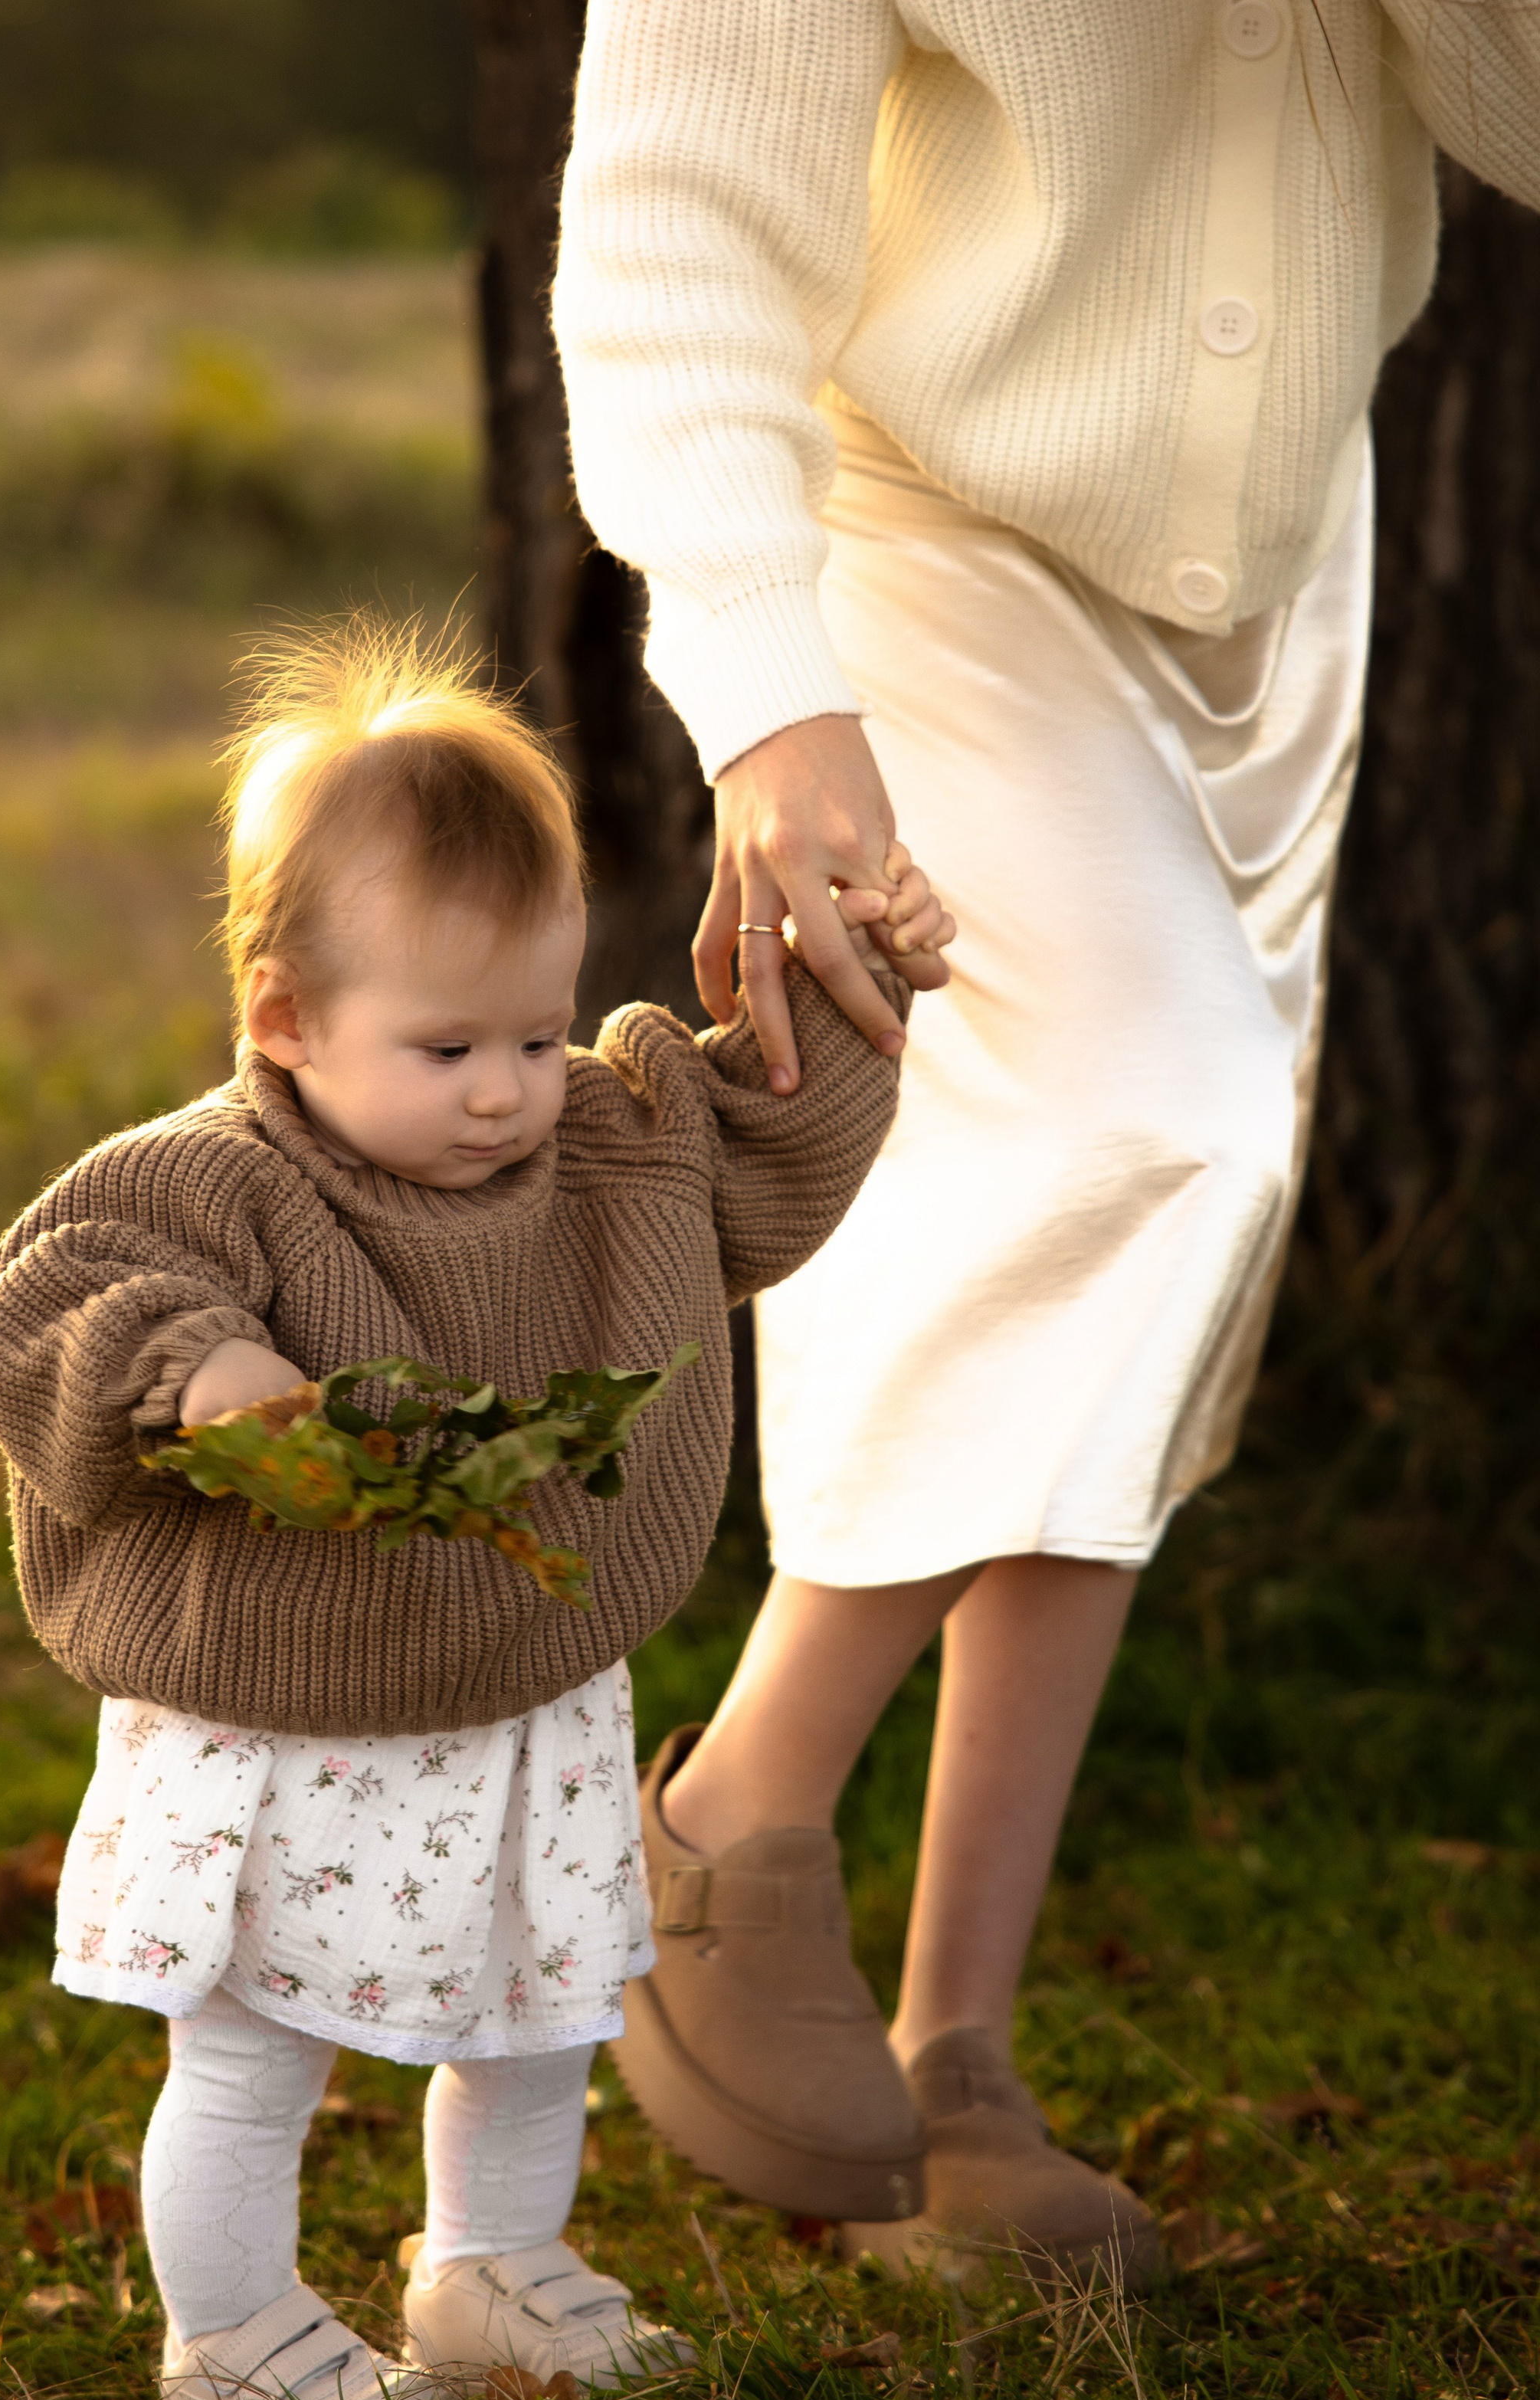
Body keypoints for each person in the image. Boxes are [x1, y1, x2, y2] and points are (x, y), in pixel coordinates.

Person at [552, 2, 1540, 2281]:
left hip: (1276, 590)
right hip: (918, 536)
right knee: (1166, 1119)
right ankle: (732, 1813)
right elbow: (669, 231)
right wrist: (774, 699)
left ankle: (955, 2065)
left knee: (1148, 1259)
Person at [0, 624, 953, 2400]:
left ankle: (491, 2272)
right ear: (281, 1018)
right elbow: (53, 1297)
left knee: (537, 2014)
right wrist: (199, 1375)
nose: (504, 1086)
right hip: (291, 1713)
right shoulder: (212, 1179)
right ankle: (237, 2349)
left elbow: (764, 1154)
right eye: (443, 1046)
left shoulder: (599, 1143)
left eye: (530, 1027)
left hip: (519, 1697)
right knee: (255, 2055)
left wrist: (844, 989)